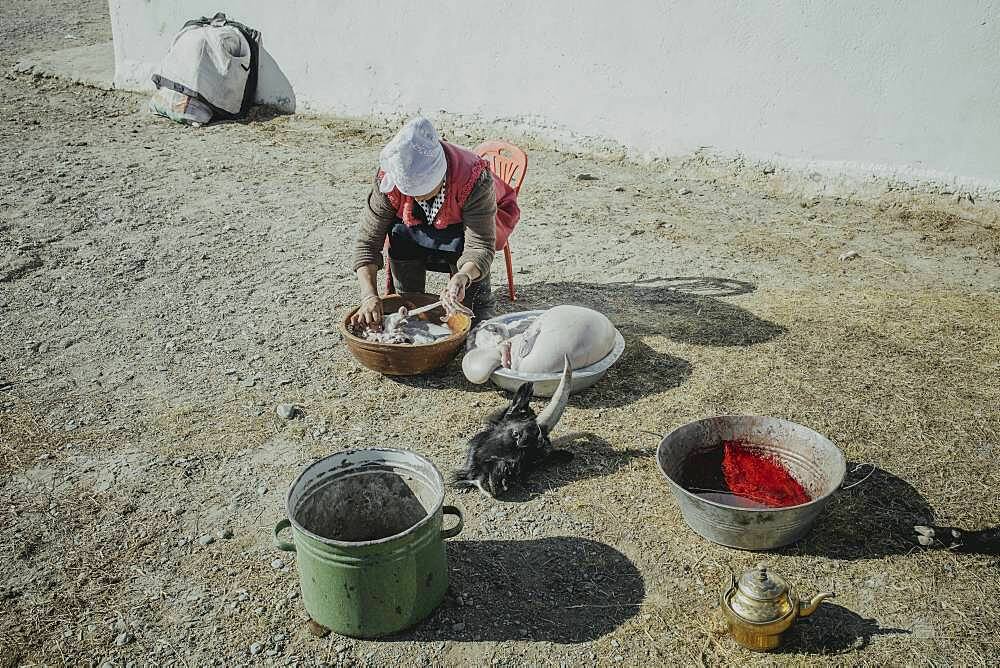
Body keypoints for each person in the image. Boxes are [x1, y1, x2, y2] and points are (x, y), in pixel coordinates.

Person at [350, 117, 519, 329]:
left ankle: (478, 304)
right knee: (398, 234)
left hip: (465, 232)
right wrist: (368, 296)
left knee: (477, 323)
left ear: (438, 176)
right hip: (416, 232)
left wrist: (463, 276)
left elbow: (479, 245)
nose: (414, 196)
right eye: (407, 190)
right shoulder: (390, 176)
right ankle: (408, 296)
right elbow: (367, 241)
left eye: (420, 190)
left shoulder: (473, 178)